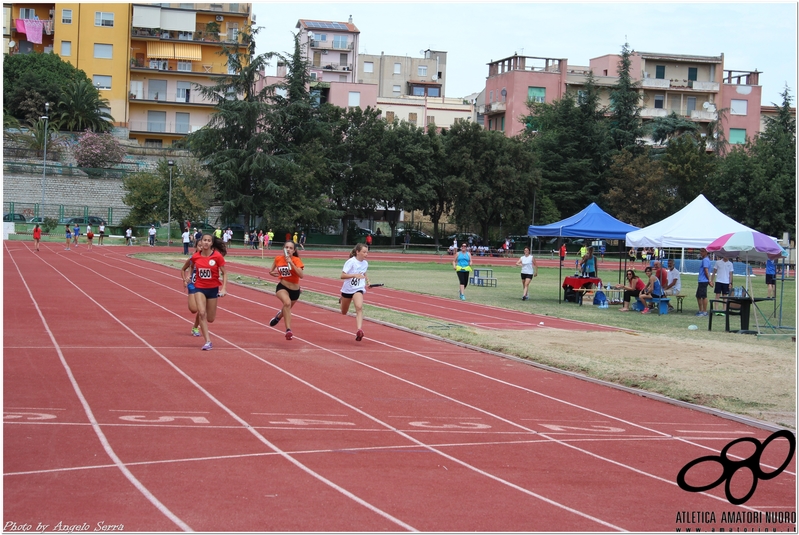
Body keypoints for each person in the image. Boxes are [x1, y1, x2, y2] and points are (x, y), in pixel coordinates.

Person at [181, 233, 227, 350]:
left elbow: (224, 273)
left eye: (208, 240)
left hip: (212, 289)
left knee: (210, 318)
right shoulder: (196, 256)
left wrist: (224, 288)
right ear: (201, 242)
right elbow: (190, 266)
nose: (206, 242)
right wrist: (189, 277)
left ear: (212, 243)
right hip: (199, 287)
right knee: (201, 312)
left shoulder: (217, 257)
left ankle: (203, 330)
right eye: (204, 240)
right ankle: (208, 341)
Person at [268, 241, 305, 340]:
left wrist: (291, 263)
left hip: (295, 291)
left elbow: (301, 275)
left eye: (291, 248)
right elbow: (271, 271)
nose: (288, 249)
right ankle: (288, 330)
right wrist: (276, 274)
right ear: (283, 248)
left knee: (286, 309)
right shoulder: (278, 259)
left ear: (294, 250)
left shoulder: (296, 260)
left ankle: (278, 317)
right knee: (287, 303)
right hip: (282, 287)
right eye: (286, 247)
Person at [340, 243, 370, 341]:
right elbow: (342, 276)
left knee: (359, 307)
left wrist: (368, 281)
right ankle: (342, 298)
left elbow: (364, 272)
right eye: (364, 252)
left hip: (358, 289)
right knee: (344, 312)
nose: (366, 254)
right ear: (357, 252)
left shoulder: (365, 263)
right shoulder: (350, 262)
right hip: (347, 290)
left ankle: (359, 330)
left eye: (367, 252)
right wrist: (354, 275)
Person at [696, 248, 711, 317]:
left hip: (703, 280)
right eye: (700, 251)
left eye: (702, 251)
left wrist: (709, 280)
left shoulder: (705, 260)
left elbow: (706, 270)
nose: (701, 253)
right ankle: (701, 310)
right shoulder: (705, 260)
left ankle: (704, 312)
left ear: (706, 252)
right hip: (701, 280)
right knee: (698, 296)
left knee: (703, 296)